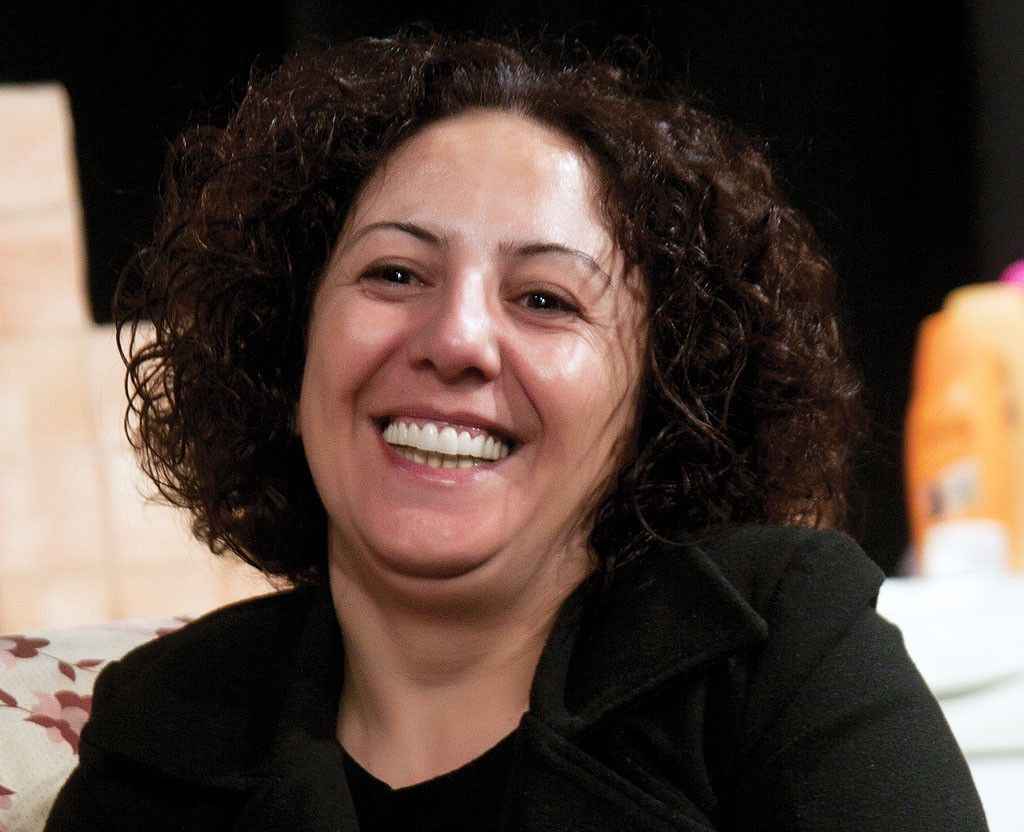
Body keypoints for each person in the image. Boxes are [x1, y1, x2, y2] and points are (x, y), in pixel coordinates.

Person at [47, 32, 987, 831]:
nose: (457, 339)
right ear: (287, 346)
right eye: (396, 275)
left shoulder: (772, 649)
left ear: (659, 400)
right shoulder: (163, 726)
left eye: (545, 299)